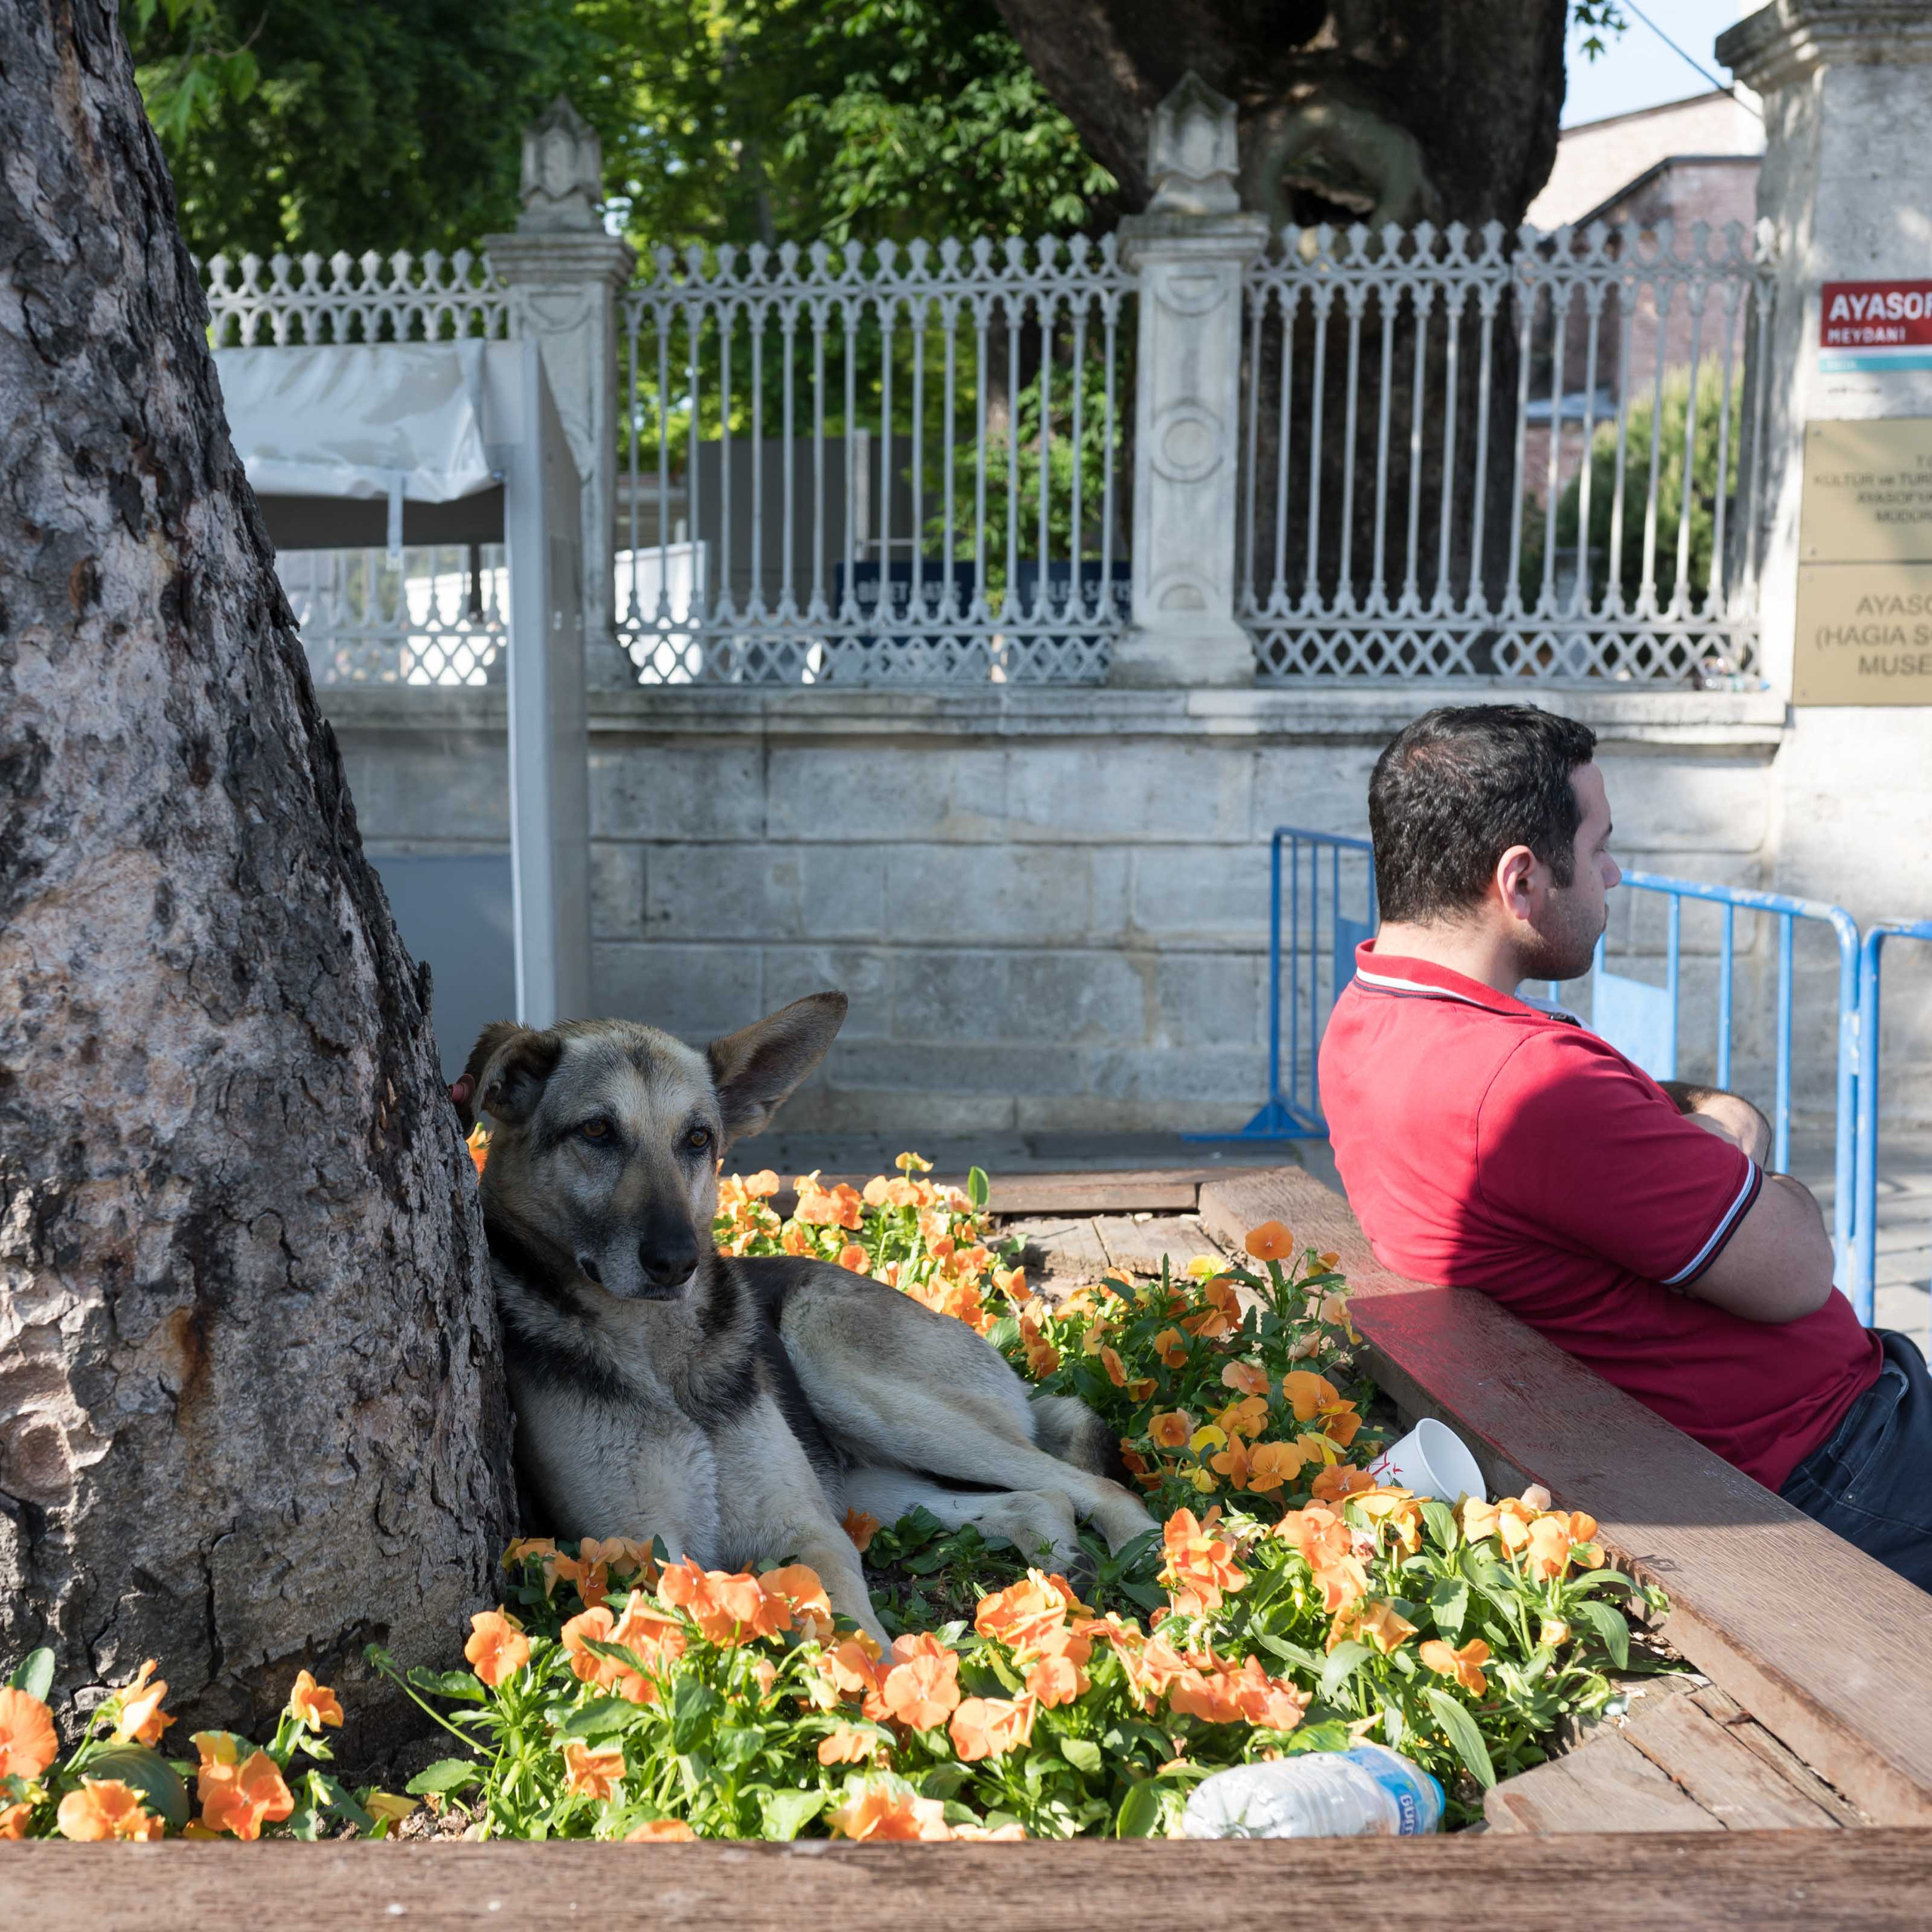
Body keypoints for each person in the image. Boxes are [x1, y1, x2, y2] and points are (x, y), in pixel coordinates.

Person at [1317, 703, 1931, 1592]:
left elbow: (1594, 1139)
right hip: (1831, 1466)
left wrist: (1681, 1121)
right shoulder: (1524, 1084)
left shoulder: (1368, 1019)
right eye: (1599, 845)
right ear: (1519, 880)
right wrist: (1731, 1131)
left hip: (1748, 1449)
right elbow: (1797, 1263)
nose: (1613, 872)